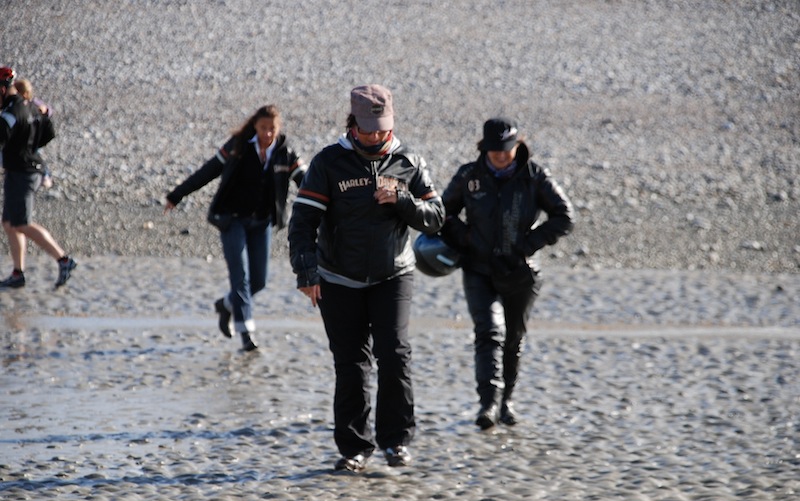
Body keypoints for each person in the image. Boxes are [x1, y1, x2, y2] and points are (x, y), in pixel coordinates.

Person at [288, 84, 444, 472]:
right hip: (338, 278)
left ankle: (396, 442)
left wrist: (403, 201)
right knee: (351, 363)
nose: (375, 137)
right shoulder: (328, 163)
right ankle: (355, 449)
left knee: (394, 354)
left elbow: (437, 217)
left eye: (382, 129)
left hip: (394, 275)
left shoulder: (409, 161)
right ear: (353, 123)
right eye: (368, 129)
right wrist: (306, 273)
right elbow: (302, 223)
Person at [441, 117, 574, 430]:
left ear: (517, 145)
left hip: (520, 271)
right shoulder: (468, 176)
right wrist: (466, 240)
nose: (501, 156)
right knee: (488, 332)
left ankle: (506, 403)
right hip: (478, 268)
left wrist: (527, 245)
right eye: (494, 150)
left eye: (506, 149)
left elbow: (565, 217)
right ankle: (487, 404)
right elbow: (442, 212)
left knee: (513, 339)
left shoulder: (535, 176)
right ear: (484, 148)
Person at [165, 104, 306, 351]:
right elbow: (208, 171)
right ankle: (246, 336)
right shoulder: (237, 146)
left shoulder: (286, 153)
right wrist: (177, 195)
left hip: (262, 221)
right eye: (263, 128)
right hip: (232, 220)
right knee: (240, 278)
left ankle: (226, 305)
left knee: (259, 281)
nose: (268, 134)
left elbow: (307, 183)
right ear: (255, 126)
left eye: (272, 129)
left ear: (278, 128)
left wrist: (331, 204)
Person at [0, 66, 77, 289]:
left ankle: (64, 259)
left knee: (21, 223)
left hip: (24, 172)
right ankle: (18, 273)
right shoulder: (31, 106)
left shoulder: (11, 113)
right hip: (25, 169)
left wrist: (23, 151)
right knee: (9, 223)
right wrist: (29, 147)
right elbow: (49, 133)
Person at [14, 78, 53, 186]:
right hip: (26, 136)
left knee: (35, 154)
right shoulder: (18, 106)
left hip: (33, 136)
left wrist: (44, 111)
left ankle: (45, 174)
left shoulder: (33, 103)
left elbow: (48, 111)